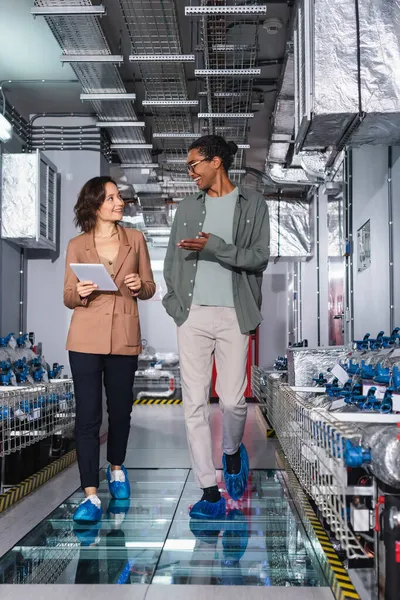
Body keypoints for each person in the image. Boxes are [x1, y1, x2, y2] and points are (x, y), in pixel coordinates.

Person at [163, 135, 270, 519]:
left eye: (195, 165)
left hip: (233, 313)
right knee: (193, 404)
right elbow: (172, 261)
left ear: (216, 163)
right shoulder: (188, 208)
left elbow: (259, 257)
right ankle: (209, 490)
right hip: (192, 315)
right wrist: (176, 305)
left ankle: (231, 452)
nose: (190, 173)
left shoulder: (252, 204)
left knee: (231, 400)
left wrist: (217, 248)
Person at [64, 176, 155, 524]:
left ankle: (116, 468)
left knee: (120, 411)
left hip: (124, 339)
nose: (120, 203)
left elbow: (148, 286)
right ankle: (89, 495)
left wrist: (139, 285)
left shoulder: (135, 239)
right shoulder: (77, 245)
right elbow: (68, 296)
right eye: (112, 198)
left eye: (119, 197)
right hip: (85, 340)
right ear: (96, 204)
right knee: (87, 417)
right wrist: (81, 291)